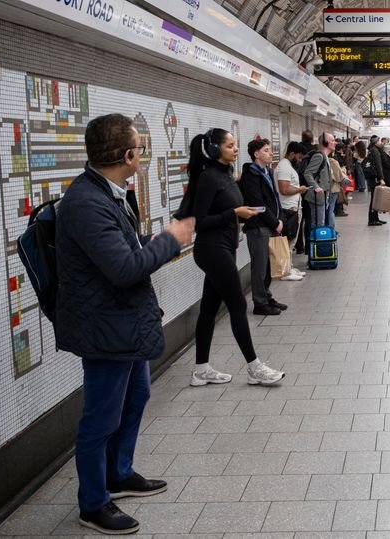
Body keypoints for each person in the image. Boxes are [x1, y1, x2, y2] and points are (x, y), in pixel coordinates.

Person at [55, 113, 194, 535]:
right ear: (130, 155)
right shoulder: (87, 202)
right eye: (140, 147)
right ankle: (93, 503)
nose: (142, 155)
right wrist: (170, 240)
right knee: (100, 418)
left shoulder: (108, 194)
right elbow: (123, 268)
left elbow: (124, 251)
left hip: (122, 322)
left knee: (136, 396)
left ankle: (119, 473)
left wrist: (153, 242)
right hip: (104, 328)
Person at [188, 128, 285, 387]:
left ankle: (201, 369)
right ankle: (255, 368)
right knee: (238, 306)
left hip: (224, 247)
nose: (235, 148)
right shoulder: (209, 177)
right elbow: (200, 220)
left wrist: (242, 212)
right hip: (212, 249)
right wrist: (234, 213)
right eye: (230, 145)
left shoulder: (227, 175)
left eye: (235, 144)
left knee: (208, 309)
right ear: (214, 149)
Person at [240, 138, 297, 313]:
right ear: (256, 154)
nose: (270, 153)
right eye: (266, 150)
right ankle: (260, 303)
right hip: (258, 227)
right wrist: (275, 222)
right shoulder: (251, 174)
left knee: (267, 266)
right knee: (259, 267)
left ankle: (267, 296)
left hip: (270, 225)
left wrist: (281, 219)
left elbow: (274, 198)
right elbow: (257, 202)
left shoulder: (266, 171)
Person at [276, 141, 308, 279]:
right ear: (292, 153)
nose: (299, 160)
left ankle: (289, 267)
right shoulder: (284, 167)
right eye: (299, 157)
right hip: (288, 208)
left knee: (292, 240)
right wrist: (300, 189)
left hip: (293, 206)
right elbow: (284, 189)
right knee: (288, 240)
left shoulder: (288, 166)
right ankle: (285, 271)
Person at [302, 132, 334, 246]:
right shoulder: (319, 156)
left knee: (320, 223)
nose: (334, 143)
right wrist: (316, 187)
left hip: (323, 196)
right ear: (325, 142)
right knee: (318, 224)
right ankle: (316, 250)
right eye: (332, 140)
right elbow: (308, 173)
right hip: (317, 197)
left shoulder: (325, 157)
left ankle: (318, 250)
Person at [366, 135, 387, 226]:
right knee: (374, 199)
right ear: (375, 142)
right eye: (379, 141)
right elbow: (378, 166)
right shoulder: (375, 151)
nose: (380, 143)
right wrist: (381, 178)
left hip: (372, 178)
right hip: (375, 178)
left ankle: (375, 218)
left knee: (375, 199)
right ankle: (372, 220)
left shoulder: (372, 150)